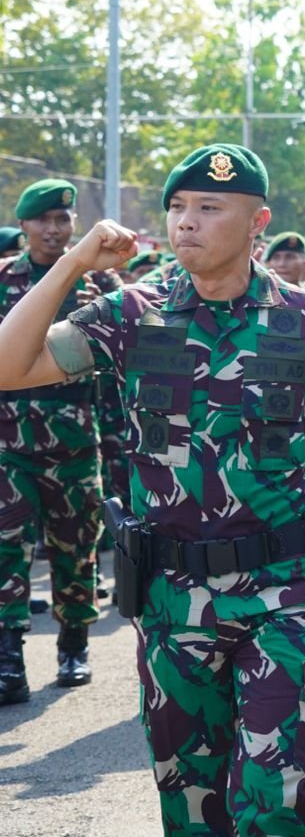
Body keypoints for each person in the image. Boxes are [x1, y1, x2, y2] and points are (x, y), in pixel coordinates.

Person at [0, 145, 305, 836]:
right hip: (171, 600)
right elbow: (9, 367)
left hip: (284, 592)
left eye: (209, 208)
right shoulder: (132, 313)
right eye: (178, 208)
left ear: (258, 222)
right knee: (193, 812)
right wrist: (72, 265)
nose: (187, 222)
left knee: (276, 806)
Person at [0, 179, 121, 701]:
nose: (54, 229)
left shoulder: (99, 286)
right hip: (7, 448)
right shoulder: (3, 280)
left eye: (63, 220)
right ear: (24, 225)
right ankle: (7, 657)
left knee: (77, 549)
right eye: (43, 220)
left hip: (75, 448)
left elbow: (122, 369)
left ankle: (74, 644)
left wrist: (121, 445)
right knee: (4, 551)